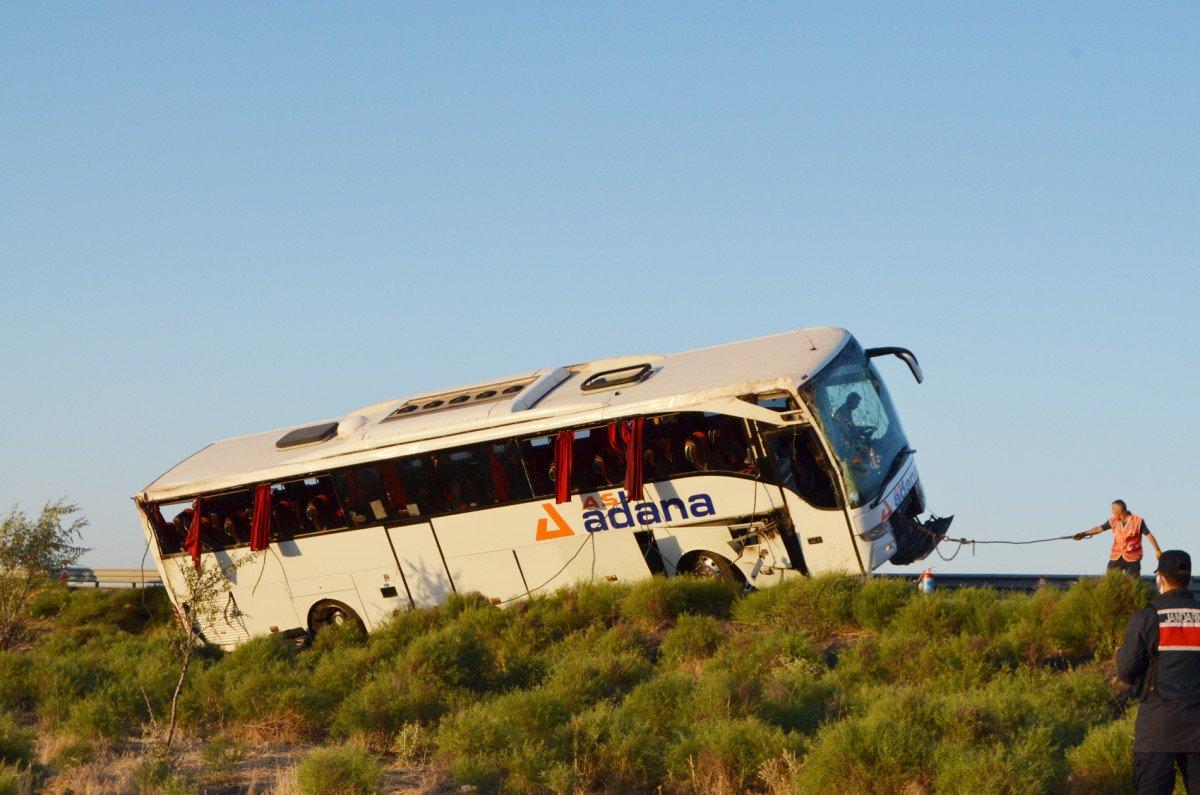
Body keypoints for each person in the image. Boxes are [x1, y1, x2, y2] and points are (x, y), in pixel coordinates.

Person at [1116, 550, 1200, 793]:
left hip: (1157, 728)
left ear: (1160, 578)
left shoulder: (1148, 617)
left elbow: (1125, 670)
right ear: (1190, 580)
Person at [1074, 499, 1162, 576]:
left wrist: (1157, 550)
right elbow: (1099, 529)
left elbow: (1149, 535)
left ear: (1120, 509)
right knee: (1111, 581)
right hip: (1116, 556)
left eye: (1113, 509)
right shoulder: (1113, 520)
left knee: (1132, 585)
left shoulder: (1137, 521)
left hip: (1133, 558)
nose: (1112, 511)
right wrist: (1084, 534)